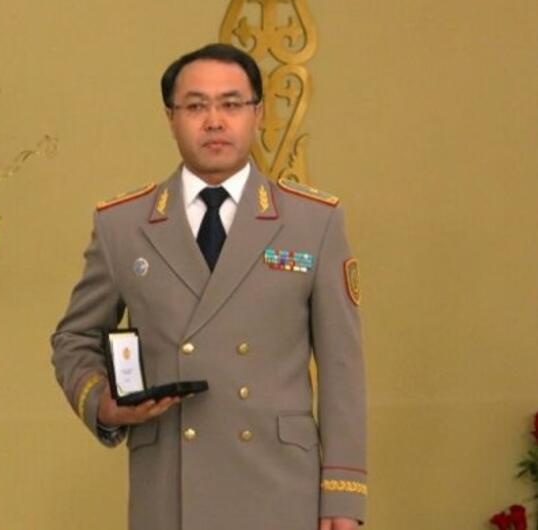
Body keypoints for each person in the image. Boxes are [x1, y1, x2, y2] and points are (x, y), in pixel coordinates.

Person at [51, 43, 366, 530]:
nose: (215, 121)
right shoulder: (123, 226)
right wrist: (103, 405)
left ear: (258, 114)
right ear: (170, 118)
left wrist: (344, 499)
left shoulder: (313, 222)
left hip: (281, 487)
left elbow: (342, 367)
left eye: (231, 104)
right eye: (196, 106)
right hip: (170, 487)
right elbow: (74, 338)